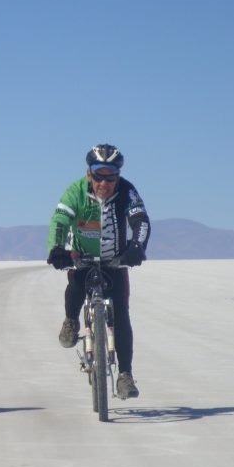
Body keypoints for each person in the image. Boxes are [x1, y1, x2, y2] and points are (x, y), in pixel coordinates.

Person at [46, 143, 150, 399]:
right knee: (76, 287)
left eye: (111, 177)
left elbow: (140, 221)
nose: (104, 183)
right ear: (89, 174)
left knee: (122, 314)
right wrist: (57, 249)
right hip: (83, 257)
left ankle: (125, 375)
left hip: (115, 260)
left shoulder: (127, 191)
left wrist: (137, 247)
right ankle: (71, 320)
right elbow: (59, 220)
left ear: (118, 176)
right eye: (99, 176)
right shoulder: (76, 192)